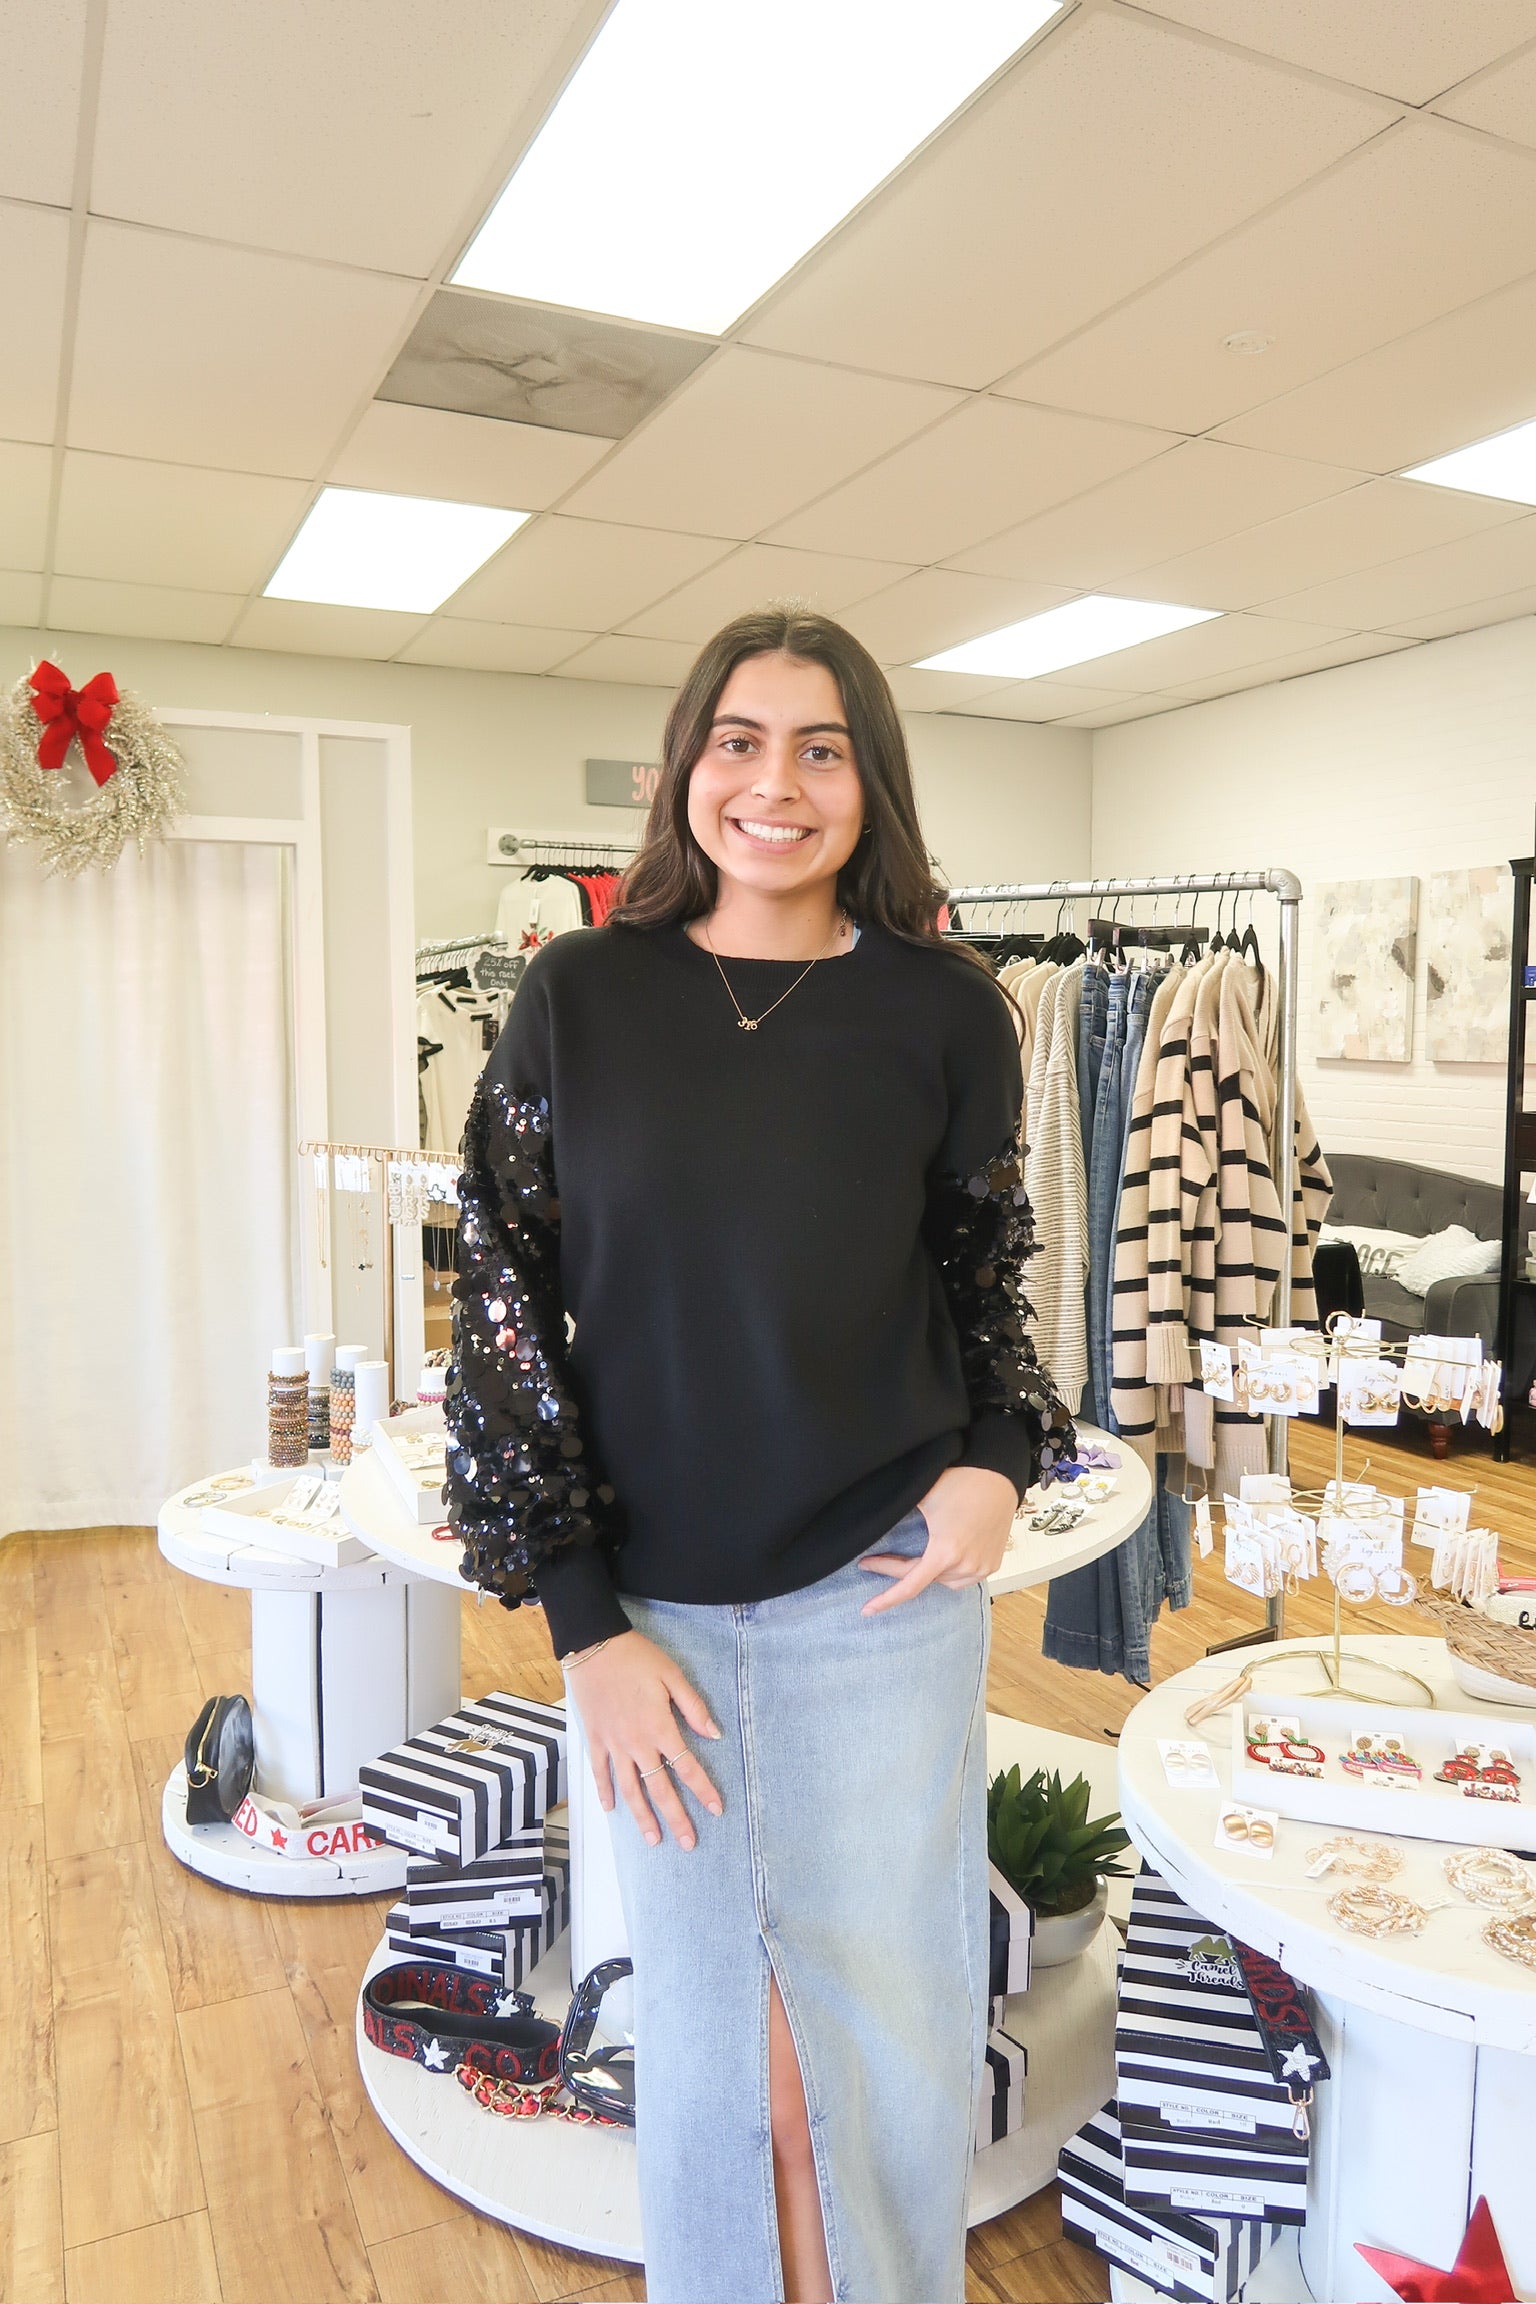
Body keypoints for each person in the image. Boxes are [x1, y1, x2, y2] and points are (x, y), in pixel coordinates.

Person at [445, 608, 1074, 2304]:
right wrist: (585, 1628)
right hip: (656, 1622)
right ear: (682, 767)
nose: (775, 784)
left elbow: (985, 1283)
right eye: (740, 739)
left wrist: (999, 1457)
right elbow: (501, 1299)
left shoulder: (948, 1014)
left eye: (821, 747)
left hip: (882, 1598)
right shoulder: (580, 992)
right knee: (721, 2063)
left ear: (870, 782)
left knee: (883, 2050)